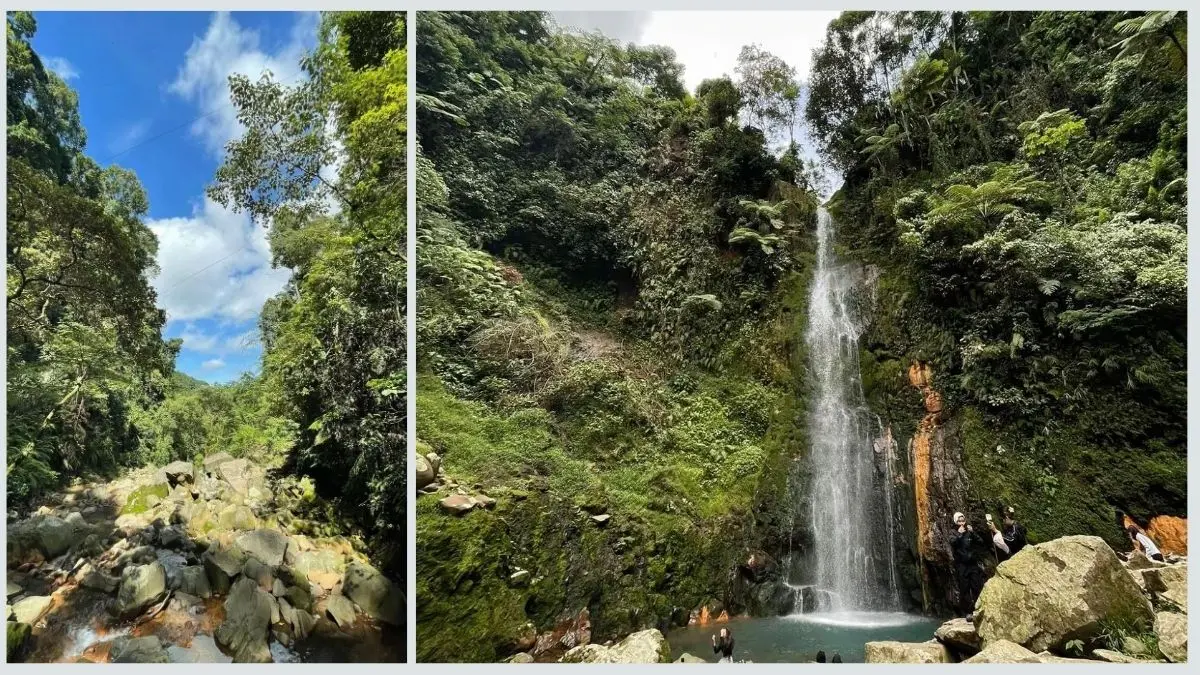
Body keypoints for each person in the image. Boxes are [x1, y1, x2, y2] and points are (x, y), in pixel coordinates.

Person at [950, 511, 985, 620]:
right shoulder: (953, 532)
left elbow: (980, 542)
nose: (961, 522)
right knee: (964, 589)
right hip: (961, 565)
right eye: (959, 521)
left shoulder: (970, 532)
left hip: (973, 564)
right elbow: (953, 543)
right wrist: (960, 534)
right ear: (956, 522)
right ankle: (967, 612)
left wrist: (973, 532)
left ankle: (978, 610)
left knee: (976, 586)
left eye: (963, 520)